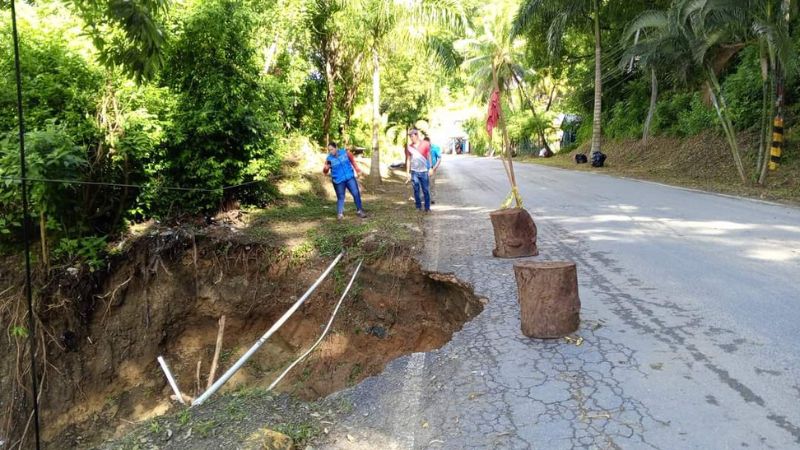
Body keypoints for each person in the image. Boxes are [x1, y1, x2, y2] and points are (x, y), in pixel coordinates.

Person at [323, 142, 367, 220]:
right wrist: (326, 168)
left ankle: (360, 210)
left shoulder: (345, 153)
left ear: (336, 147)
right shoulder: (329, 158)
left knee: (356, 193)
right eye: (329, 150)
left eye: (332, 149)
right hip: (338, 181)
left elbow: (353, 162)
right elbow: (325, 172)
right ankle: (340, 214)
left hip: (349, 177)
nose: (331, 151)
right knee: (341, 197)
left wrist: (357, 170)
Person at [405, 129, 432, 212]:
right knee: (416, 190)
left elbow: (429, 156)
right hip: (414, 172)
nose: (411, 138)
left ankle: (427, 207)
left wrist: (430, 167)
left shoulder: (425, 144)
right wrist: (407, 172)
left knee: (425, 190)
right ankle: (418, 207)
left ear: (416, 135)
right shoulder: (409, 147)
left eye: (412, 136)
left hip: (424, 171)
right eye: (410, 136)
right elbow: (408, 159)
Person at [424, 137, 442, 204]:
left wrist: (434, 168)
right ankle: (426, 197)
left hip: (432, 168)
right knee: (424, 184)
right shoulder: (423, 149)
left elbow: (439, 159)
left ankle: (432, 198)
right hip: (424, 169)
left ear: (429, 142)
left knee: (432, 184)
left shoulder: (435, 148)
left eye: (427, 144)